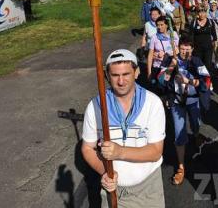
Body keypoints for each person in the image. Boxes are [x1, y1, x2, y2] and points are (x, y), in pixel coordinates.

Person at [81, 49, 166, 208]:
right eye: (115, 75)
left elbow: (155, 151)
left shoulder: (153, 103)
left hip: (148, 190)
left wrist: (120, 152)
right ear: (106, 76)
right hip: (112, 189)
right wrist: (105, 172)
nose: (121, 81)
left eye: (126, 74)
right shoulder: (95, 107)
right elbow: (87, 147)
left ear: (136, 72)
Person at [159, 39, 211, 185]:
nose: (185, 51)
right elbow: (162, 80)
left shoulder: (196, 61)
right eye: (182, 48)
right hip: (177, 103)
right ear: (177, 48)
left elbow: (207, 81)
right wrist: (171, 66)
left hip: (193, 101)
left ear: (192, 49)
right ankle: (181, 167)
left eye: (188, 49)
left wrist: (189, 81)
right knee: (179, 134)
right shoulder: (171, 60)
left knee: (195, 125)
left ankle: (196, 134)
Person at [147, 16, 179, 87]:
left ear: (167, 25)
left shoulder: (173, 35)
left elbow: (178, 49)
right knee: (158, 87)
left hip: (171, 66)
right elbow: (150, 55)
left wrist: (168, 54)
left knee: (170, 87)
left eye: (161, 25)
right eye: (157, 25)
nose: (159, 27)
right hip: (158, 66)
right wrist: (149, 72)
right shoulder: (154, 37)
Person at [190, 5, 217, 71]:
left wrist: (214, 46)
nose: (202, 14)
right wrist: (190, 48)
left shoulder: (210, 22)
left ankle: (207, 81)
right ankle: (199, 80)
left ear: (206, 12)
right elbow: (190, 36)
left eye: (204, 12)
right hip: (197, 49)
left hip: (208, 49)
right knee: (198, 66)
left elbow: (214, 36)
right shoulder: (194, 22)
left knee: (208, 66)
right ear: (197, 13)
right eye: (200, 12)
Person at [208, 0, 218, 69]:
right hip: (209, 34)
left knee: (216, 50)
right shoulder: (207, 13)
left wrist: (216, 19)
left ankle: (216, 62)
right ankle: (209, 61)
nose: (213, 6)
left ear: (216, 6)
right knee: (210, 49)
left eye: (214, 5)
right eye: (212, 5)